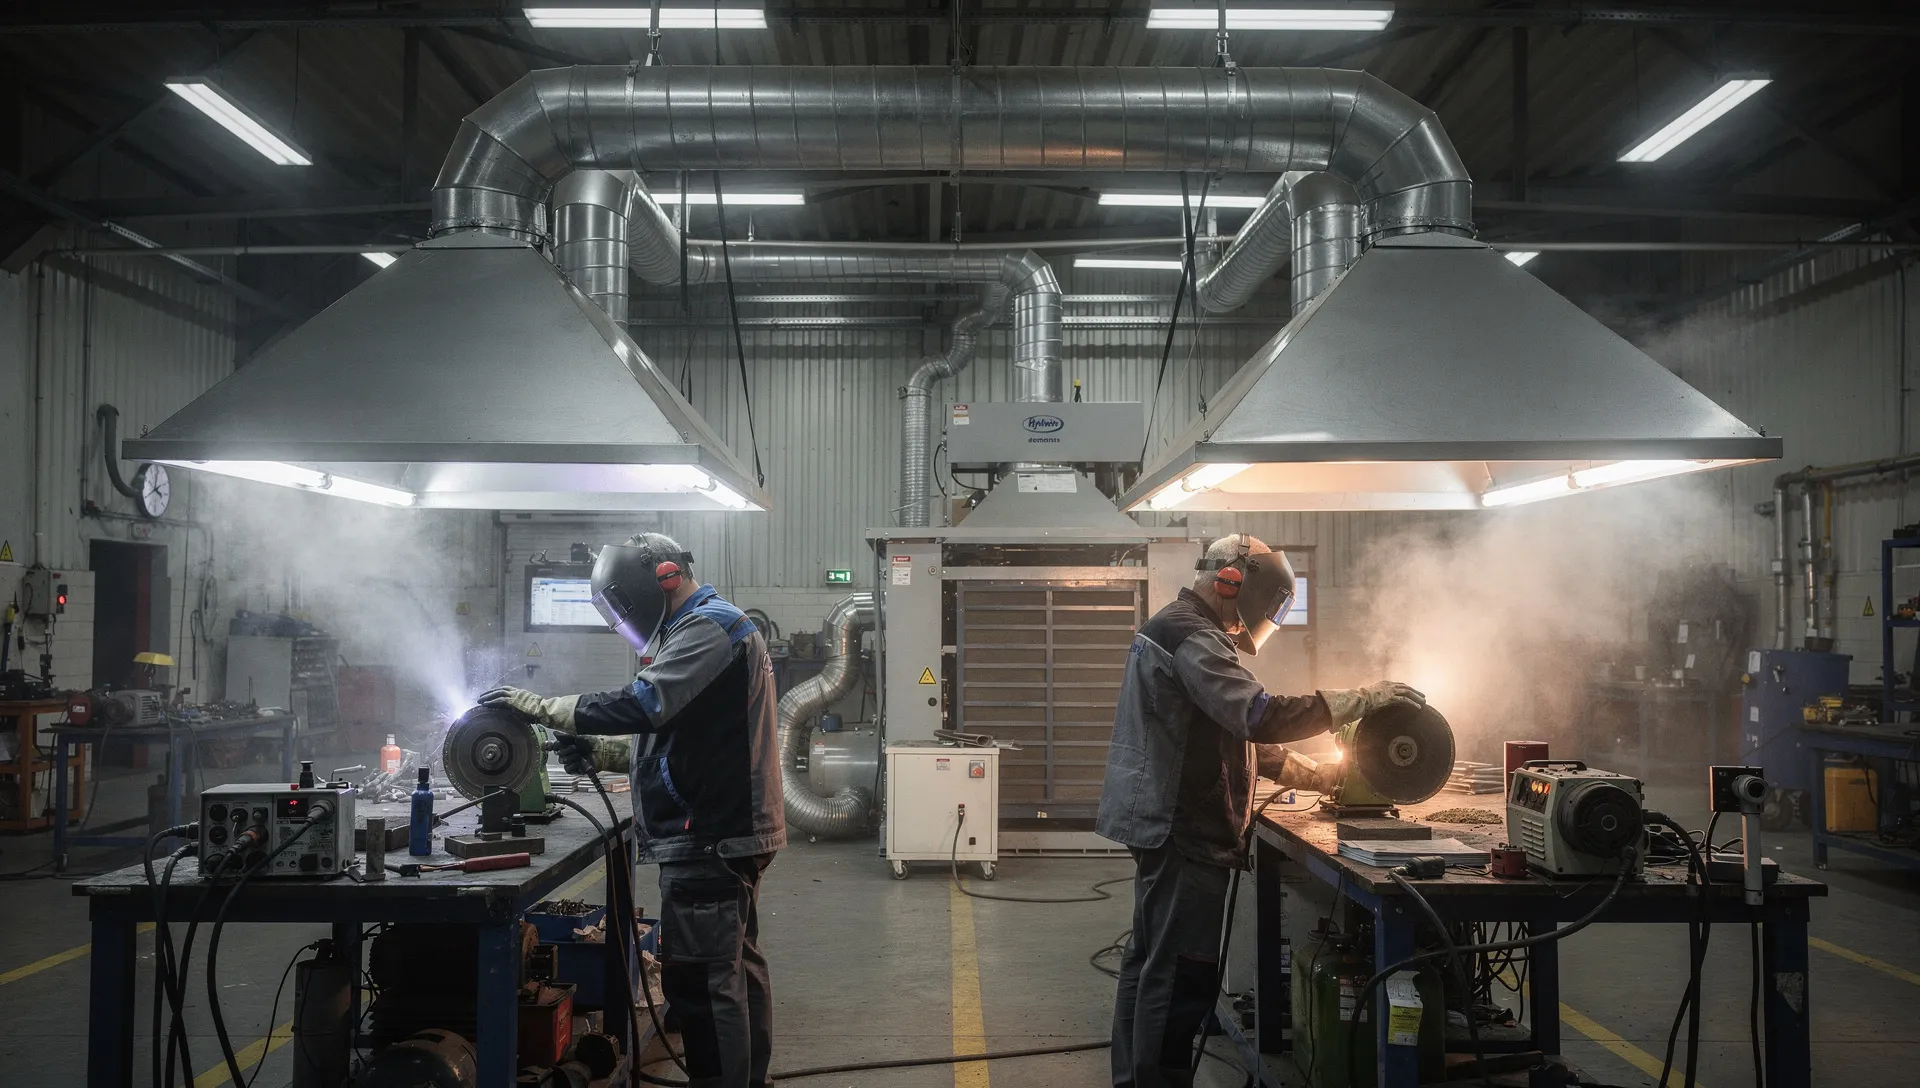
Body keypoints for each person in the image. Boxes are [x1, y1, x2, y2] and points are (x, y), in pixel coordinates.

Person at [1096, 533, 1424, 1088]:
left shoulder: (1180, 628)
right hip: (1183, 831)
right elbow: (1258, 716)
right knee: (1179, 978)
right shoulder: (1193, 636)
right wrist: (1358, 699)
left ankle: (1134, 1080)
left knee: (1149, 964)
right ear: (1230, 582)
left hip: (1164, 825)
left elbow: (1235, 735)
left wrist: (1317, 775)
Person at [480, 533, 781, 1088]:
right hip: (723, 832)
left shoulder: (707, 628)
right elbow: (682, 737)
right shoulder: (698, 629)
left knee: (704, 983)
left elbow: (646, 703)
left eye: (620, 607)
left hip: (710, 836)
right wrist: (599, 750)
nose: (621, 620)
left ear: (657, 580)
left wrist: (545, 708)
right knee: (734, 969)